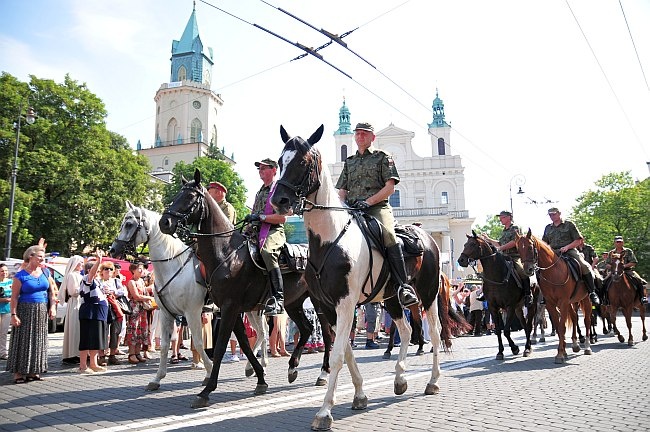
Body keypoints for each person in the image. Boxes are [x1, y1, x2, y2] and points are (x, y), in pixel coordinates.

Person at [335, 122, 418, 308]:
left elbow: (390, 188)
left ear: (372, 137)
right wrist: (341, 205)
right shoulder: (350, 161)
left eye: (364, 134)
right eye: (357, 134)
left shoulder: (383, 157)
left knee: (389, 235)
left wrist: (369, 202)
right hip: (353, 209)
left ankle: (403, 286)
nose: (360, 137)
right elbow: (342, 190)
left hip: (377, 208)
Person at [7, 245, 57, 383]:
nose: (42, 259)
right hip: (25, 310)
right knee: (22, 340)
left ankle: (33, 371)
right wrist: (13, 314)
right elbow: (14, 297)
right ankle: (18, 372)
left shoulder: (46, 273)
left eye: (43, 256)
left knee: (38, 340)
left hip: (41, 310)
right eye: (39, 256)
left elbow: (52, 293)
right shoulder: (20, 275)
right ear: (31, 256)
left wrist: (52, 307)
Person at [244, 158, 288, 315]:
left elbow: (282, 218)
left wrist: (261, 217)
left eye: (264, 168)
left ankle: (278, 299)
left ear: (274, 170)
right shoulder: (260, 191)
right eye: (259, 168)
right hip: (255, 231)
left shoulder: (279, 190)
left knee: (268, 253)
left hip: (273, 230)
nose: (261, 171)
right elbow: (254, 213)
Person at [542, 207, 600, 305]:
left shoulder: (569, 225)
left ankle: (592, 292)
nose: (552, 216)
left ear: (559, 213)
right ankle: (545, 295)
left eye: (554, 214)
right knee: (541, 268)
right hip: (553, 253)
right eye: (550, 215)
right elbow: (544, 243)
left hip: (569, 251)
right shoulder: (548, 227)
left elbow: (578, 240)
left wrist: (567, 247)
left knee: (584, 266)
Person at [481, 210, 533, 306]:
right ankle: (486, 293)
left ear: (509, 217)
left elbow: (515, 242)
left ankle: (527, 295)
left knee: (522, 271)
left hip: (514, 256)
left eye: (503, 217)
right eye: (500, 217)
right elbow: (499, 243)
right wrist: (489, 239)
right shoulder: (504, 231)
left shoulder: (516, 228)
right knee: (489, 271)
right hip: (503, 256)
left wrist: (500, 248)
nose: (501, 219)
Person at [78, 251, 109, 374]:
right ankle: (82, 366)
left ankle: (93, 363)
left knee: (95, 339)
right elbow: (91, 274)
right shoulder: (87, 278)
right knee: (86, 338)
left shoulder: (98, 282)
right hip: (90, 311)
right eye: (96, 269)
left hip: (98, 312)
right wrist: (99, 261)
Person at [97, 262, 127, 365]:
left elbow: (122, 291)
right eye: (106, 269)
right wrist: (103, 292)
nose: (108, 271)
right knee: (102, 331)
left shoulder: (116, 281)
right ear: (101, 271)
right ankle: (101, 356)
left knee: (115, 331)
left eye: (110, 269)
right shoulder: (98, 281)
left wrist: (113, 292)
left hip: (115, 307)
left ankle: (112, 355)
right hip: (103, 307)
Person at [125, 262, 155, 364]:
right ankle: (132, 354)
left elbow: (144, 293)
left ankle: (138, 353)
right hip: (135, 307)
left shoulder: (141, 281)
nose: (141, 271)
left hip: (142, 308)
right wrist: (149, 298)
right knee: (133, 329)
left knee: (141, 330)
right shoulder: (131, 282)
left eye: (142, 268)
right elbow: (136, 296)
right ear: (133, 270)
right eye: (139, 269)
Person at [604, 236, 647, 304]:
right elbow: (607, 264)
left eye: (620, 242)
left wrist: (624, 266)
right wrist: (614, 267)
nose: (619, 243)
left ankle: (642, 297)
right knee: (604, 281)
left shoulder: (628, 251)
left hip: (628, 270)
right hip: (615, 271)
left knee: (639, 280)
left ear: (623, 242)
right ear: (614, 243)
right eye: (617, 242)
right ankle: (604, 299)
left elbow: (634, 262)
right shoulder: (611, 252)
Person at [58, 255, 84, 364]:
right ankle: (72, 353)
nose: (82, 265)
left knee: (78, 329)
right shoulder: (72, 275)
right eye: (80, 263)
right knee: (74, 328)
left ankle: (77, 352)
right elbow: (73, 292)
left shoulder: (78, 275)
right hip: (75, 302)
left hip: (79, 302)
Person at [0, 264, 12, 360]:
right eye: (2, 271)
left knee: (4, 332)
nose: (4, 273)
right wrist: (3, 300)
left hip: (7, 310)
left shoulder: (10, 282)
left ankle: (3, 353)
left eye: (6, 271)